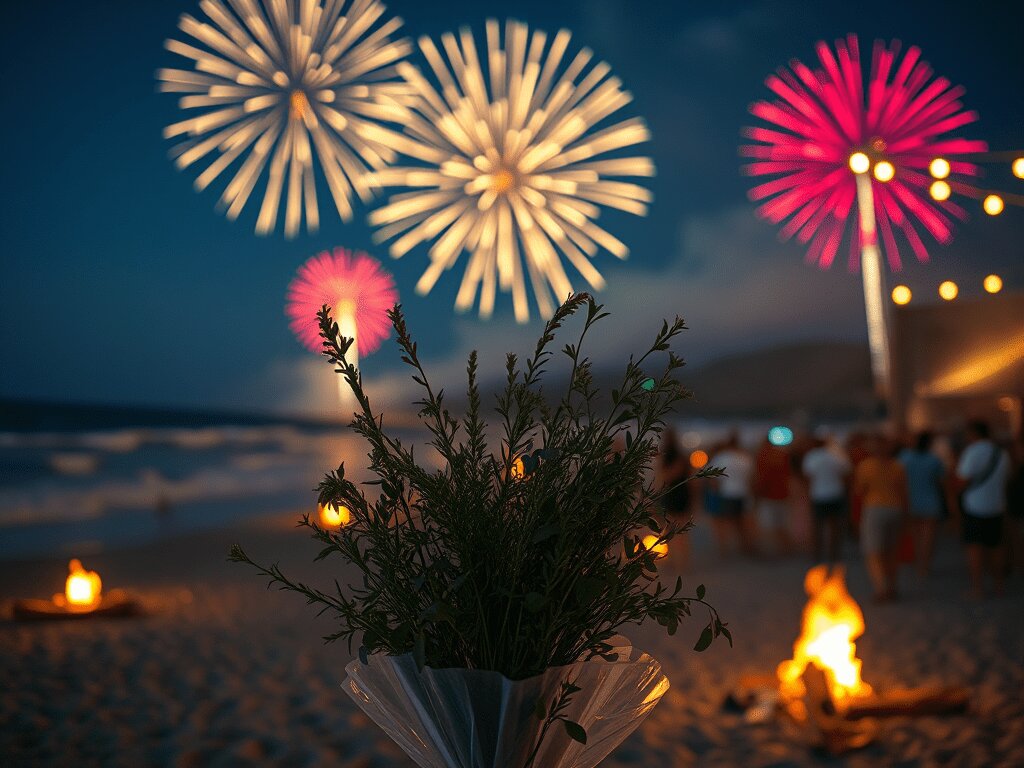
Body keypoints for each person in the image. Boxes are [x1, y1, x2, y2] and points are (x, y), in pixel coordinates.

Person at [956, 420, 1011, 597]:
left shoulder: (972, 452)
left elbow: (962, 479)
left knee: (975, 548)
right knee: (996, 547)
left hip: (975, 505)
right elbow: (1008, 478)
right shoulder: (1002, 453)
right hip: (997, 505)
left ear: (973, 433)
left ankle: (977, 587)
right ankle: (999, 585)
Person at [853, 435, 908, 602]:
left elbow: (859, 490)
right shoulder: (898, 466)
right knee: (892, 550)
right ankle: (892, 586)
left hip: (874, 508)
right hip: (896, 508)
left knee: (874, 551)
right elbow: (904, 491)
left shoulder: (866, 466)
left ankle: (881, 588)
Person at [898, 432, 947, 579]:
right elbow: (941, 481)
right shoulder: (934, 460)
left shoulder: (905, 458)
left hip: (911, 500)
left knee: (915, 536)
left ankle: (917, 561)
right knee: (928, 537)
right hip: (931, 500)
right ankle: (925, 566)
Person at [802, 436, 851, 564]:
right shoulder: (837, 455)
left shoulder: (812, 456)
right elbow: (847, 474)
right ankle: (834, 553)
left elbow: (807, 477)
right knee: (835, 525)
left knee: (817, 526)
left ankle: (817, 553)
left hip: (818, 495)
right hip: (836, 493)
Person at [710, 433, 757, 557]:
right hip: (743, 493)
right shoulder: (746, 457)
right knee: (742, 522)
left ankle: (724, 549)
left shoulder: (721, 457)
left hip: (727, 493)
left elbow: (713, 478)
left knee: (725, 522)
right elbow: (752, 478)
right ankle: (745, 546)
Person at [754, 433, 793, 557]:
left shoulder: (762, 455)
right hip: (783, 493)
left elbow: (761, 478)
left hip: (768, 494)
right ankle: (786, 547)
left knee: (769, 524)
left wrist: (757, 492)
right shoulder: (782, 454)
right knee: (782, 522)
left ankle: (777, 549)